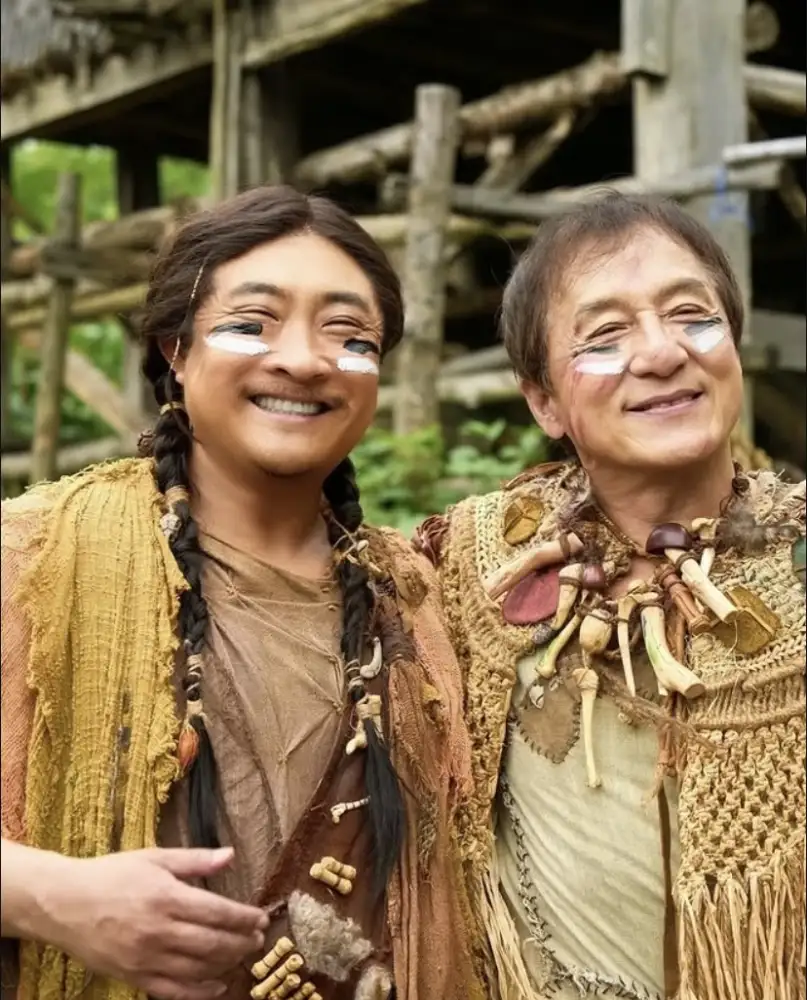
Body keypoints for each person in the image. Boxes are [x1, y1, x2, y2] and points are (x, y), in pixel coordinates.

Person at [0, 186, 485, 1000]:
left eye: (350, 336)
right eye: (252, 323)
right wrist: (53, 897)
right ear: (176, 351)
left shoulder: (416, 599)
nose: (303, 359)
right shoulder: (36, 559)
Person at [417, 193, 806, 1000]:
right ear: (543, 403)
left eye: (691, 316)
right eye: (603, 336)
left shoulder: (794, 552)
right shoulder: (465, 569)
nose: (661, 353)